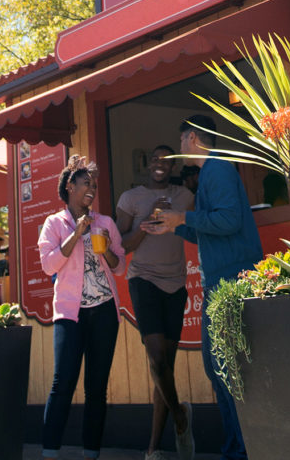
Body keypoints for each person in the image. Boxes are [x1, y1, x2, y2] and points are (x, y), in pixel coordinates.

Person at [143, 115, 263, 460]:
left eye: (181, 142)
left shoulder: (218, 169)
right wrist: (172, 226)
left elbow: (229, 220)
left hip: (231, 280)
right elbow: (207, 229)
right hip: (221, 281)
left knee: (226, 368)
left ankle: (239, 450)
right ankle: (236, 448)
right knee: (219, 367)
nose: (180, 149)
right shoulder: (212, 173)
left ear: (192, 138)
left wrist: (183, 218)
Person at [37, 154, 126, 460]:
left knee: (96, 388)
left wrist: (105, 250)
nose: (92, 189)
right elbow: (49, 264)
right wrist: (77, 232)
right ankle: (49, 451)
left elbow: (119, 267)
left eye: (95, 185)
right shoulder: (54, 223)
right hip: (70, 316)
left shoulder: (106, 223)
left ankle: (92, 453)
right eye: (86, 183)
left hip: (104, 313)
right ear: (70, 186)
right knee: (63, 383)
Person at [115, 144, 196, 460]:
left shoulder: (185, 196)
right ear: (148, 165)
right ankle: (179, 416)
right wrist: (148, 220)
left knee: (166, 368)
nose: (160, 164)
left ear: (174, 166)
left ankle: (154, 449)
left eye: (166, 160)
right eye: (155, 159)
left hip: (176, 284)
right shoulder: (130, 198)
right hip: (143, 281)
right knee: (157, 359)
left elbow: (196, 225)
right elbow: (122, 245)